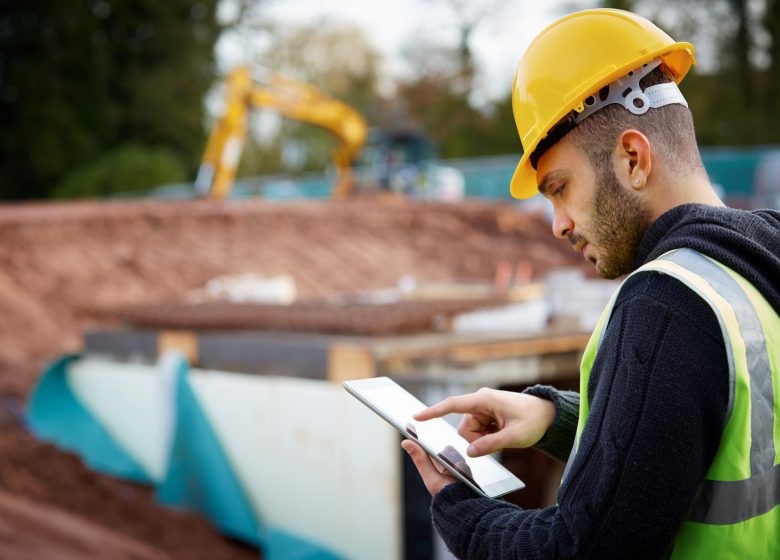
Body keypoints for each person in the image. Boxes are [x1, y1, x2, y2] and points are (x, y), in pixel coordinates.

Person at [401, 8, 780, 559]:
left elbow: (582, 550)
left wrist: (459, 507)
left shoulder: (666, 306)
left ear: (632, 157)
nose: (558, 224)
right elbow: (708, 439)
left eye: (559, 188)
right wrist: (556, 418)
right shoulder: (757, 259)